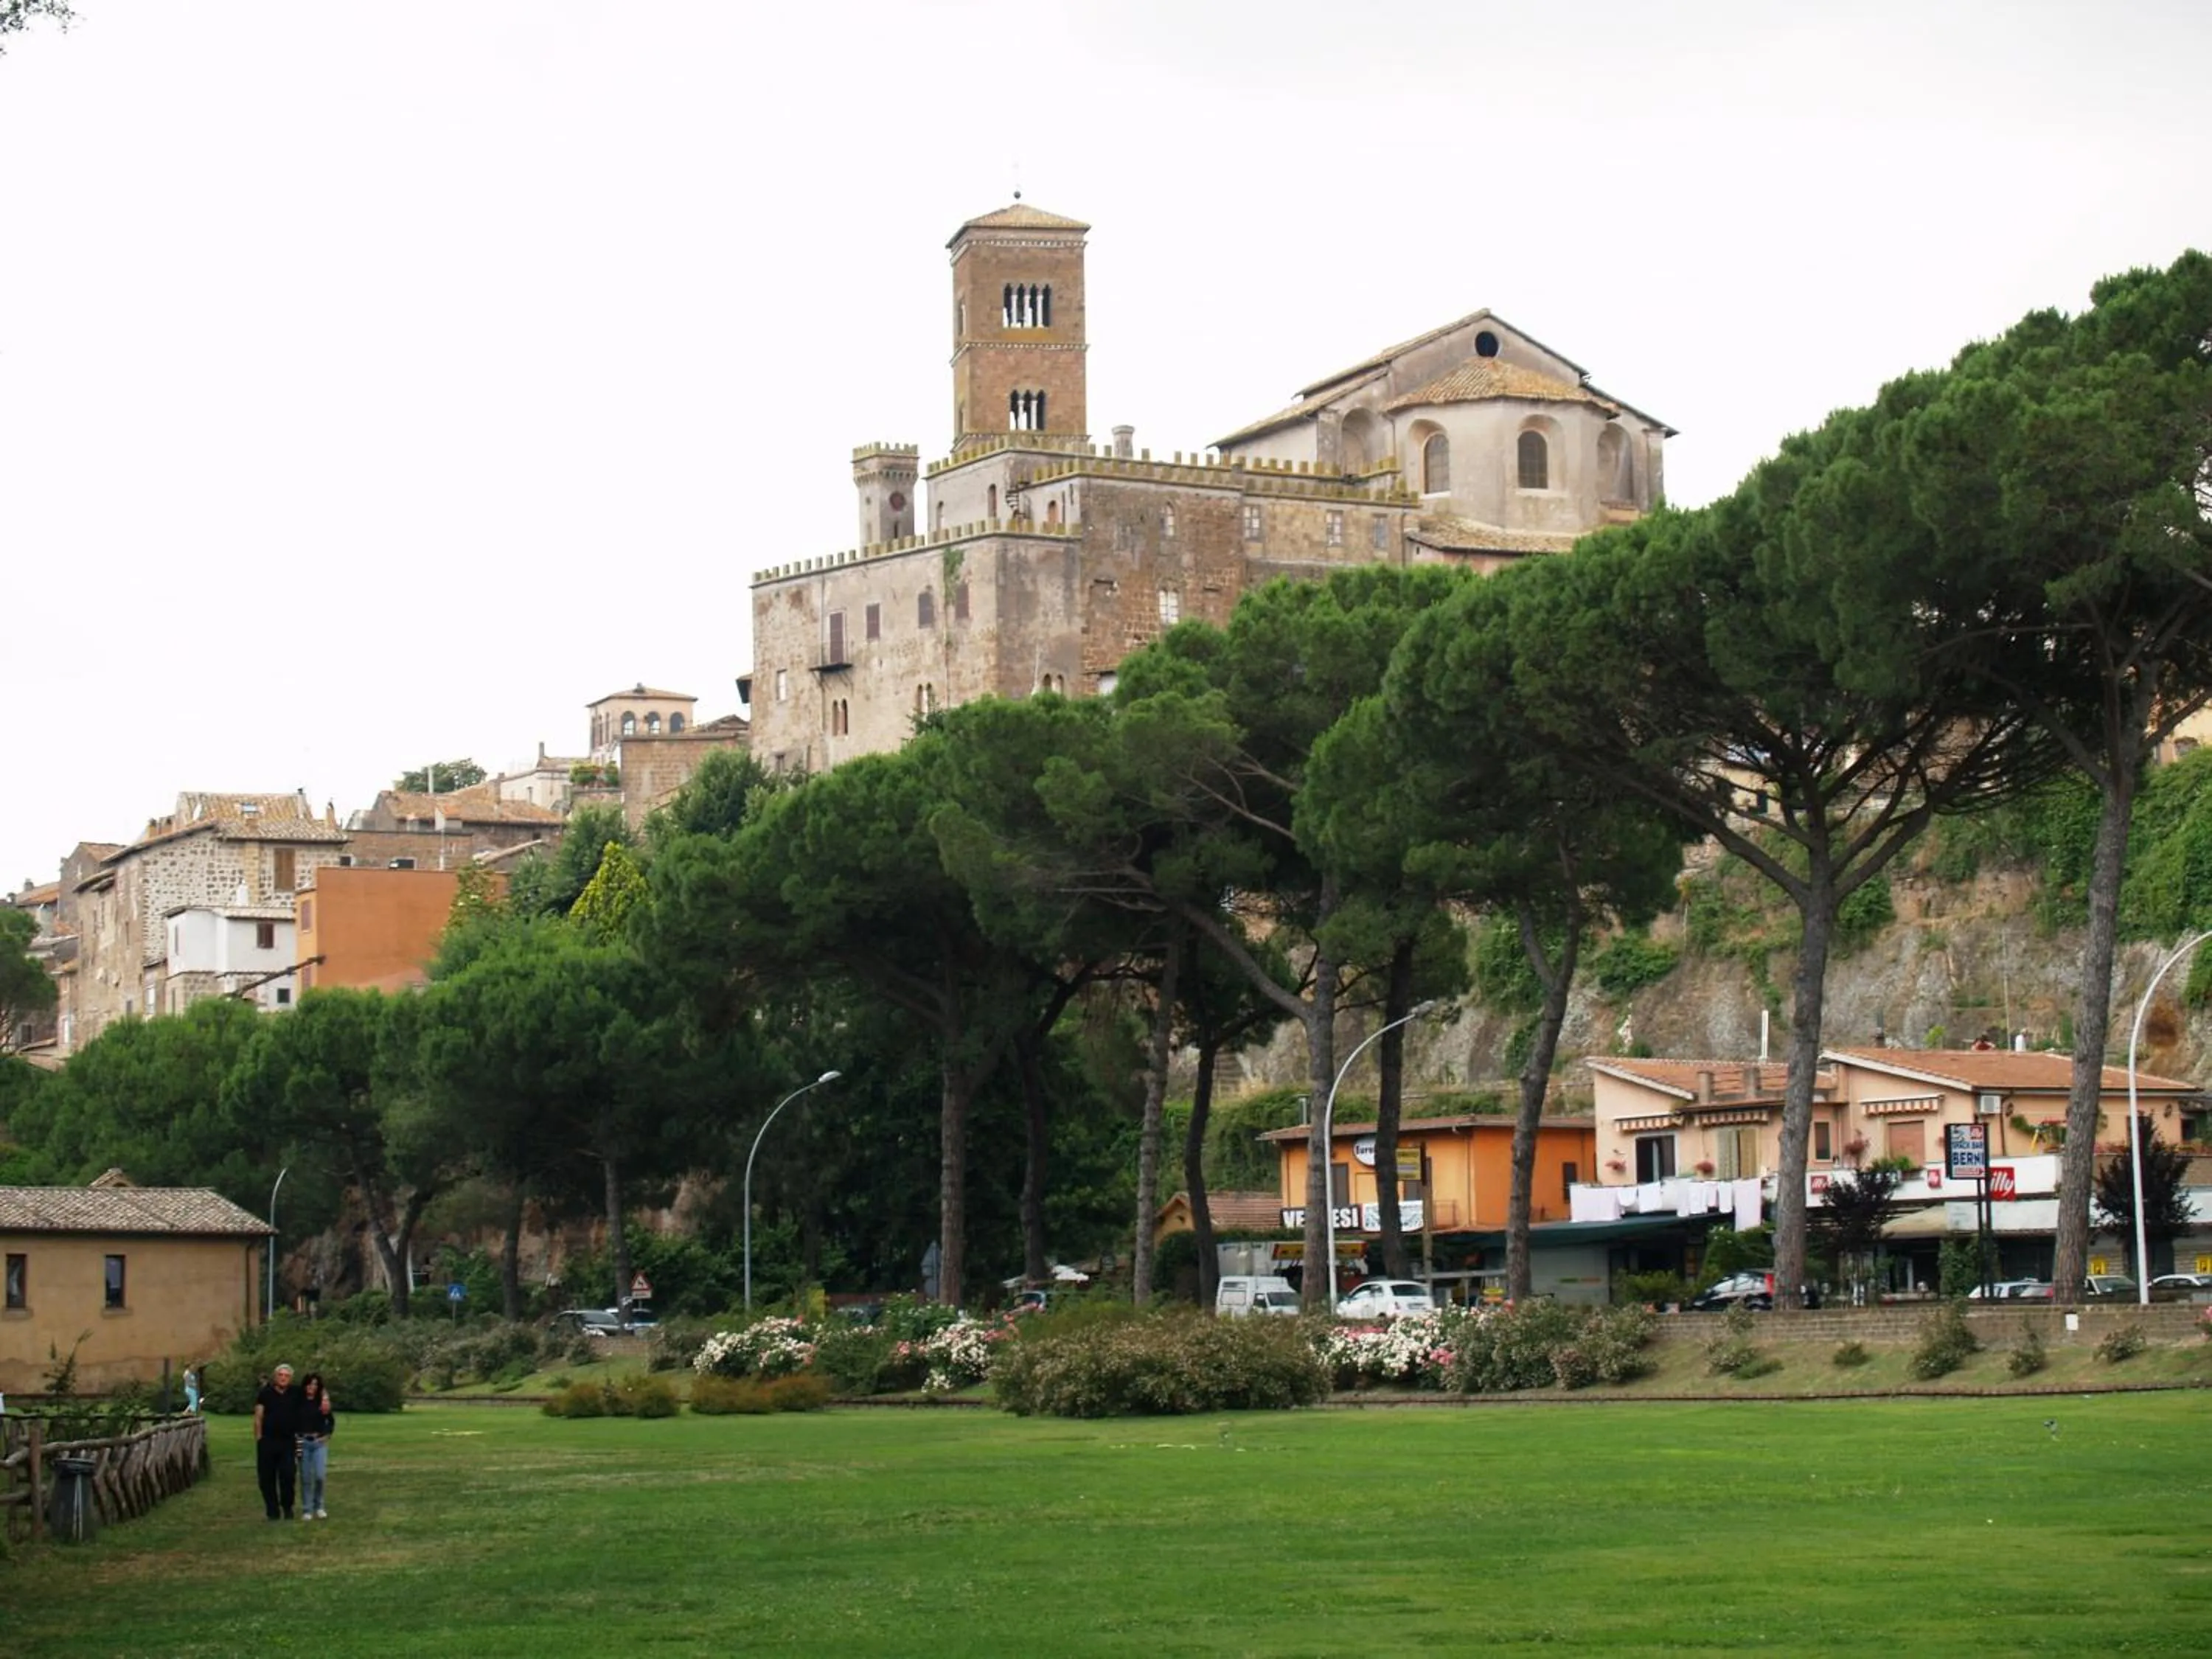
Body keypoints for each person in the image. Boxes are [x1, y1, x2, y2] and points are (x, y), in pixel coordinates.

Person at [253, 1363, 304, 1520]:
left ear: (291, 1378)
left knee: (288, 1476)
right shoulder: (265, 1393)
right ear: (276, 1377)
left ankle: (287, 1507)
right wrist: (259, 1438)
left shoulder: (296, 1393)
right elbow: (258, 1417)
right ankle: (272, 1510)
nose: (283, 1378)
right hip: (268, 1441)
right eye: (281, 1375)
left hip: (288, 1442)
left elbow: (313, 1395)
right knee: (267, 1478)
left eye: (287, 1376)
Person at [296, 1373, 335, 1521]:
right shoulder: (298, 1401)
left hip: (319, 1443)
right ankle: (307, 1509)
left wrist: (327, 1435)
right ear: (305, 1385)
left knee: (320, 1476)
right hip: (301, 1442)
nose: (312, 1387)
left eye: (315, 1385)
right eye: (310, 1384)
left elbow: (330, 1421)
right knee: (305, 1476)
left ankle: (319, 1506)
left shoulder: (322, 1403)